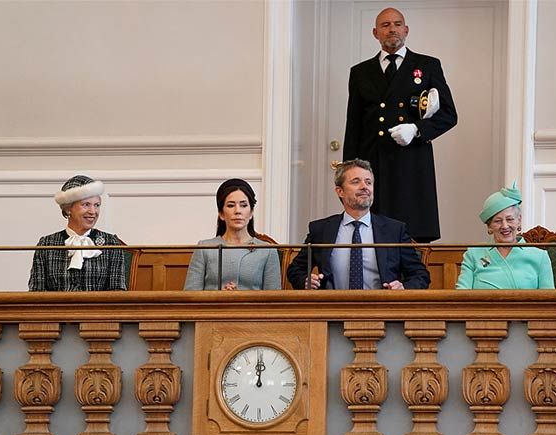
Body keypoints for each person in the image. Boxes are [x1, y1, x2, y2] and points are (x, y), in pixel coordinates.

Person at [343, 7, 457, 243]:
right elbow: (353, 125)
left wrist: (417, 129)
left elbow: (448, 114)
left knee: (411, 233)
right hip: (373, 162)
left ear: (406, 30)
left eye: (397, 24)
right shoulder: (360, 72)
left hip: (412, 163)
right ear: (375, 33)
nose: (392, 29)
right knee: (373, 234)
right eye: (385, 25)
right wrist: (348, 173)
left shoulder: (427, 65)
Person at [287, 159, 429, 290]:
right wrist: (305, 280)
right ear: (340, 191)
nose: (364, 187)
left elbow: (420, 274)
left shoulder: (395, 230)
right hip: (333, 311)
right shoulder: (321, 230)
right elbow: (296, 269)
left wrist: (403, 288)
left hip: (383, 312)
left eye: (368, 182)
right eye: (356, 182)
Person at [28, 175, 126, 291]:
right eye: (86, 205)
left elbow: (117, 294)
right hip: (57, 309)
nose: (93, 212)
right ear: (68, 208)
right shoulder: (46, 244)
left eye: (97, 205)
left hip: (98, 309)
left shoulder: (111, 243)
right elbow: (36, 293)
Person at [184, 178, 281, 291]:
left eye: (243, 205)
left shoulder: (268, 251)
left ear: (251, 213)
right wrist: (218, 297)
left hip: (252, 309)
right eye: (231, 205)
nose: (237, 211)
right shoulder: (204, 248)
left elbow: (274, 301)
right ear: (221, 214)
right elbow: (190, 296)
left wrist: (241, 298)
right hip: (213, 308)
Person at [456, 181, 555, 289]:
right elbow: (461, 297)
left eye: (510, 219)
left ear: (519, 220)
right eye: (497, 221)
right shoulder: (473, 255)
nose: (504, 226)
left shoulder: (540, 257)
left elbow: (549, 302)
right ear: (489, 226)